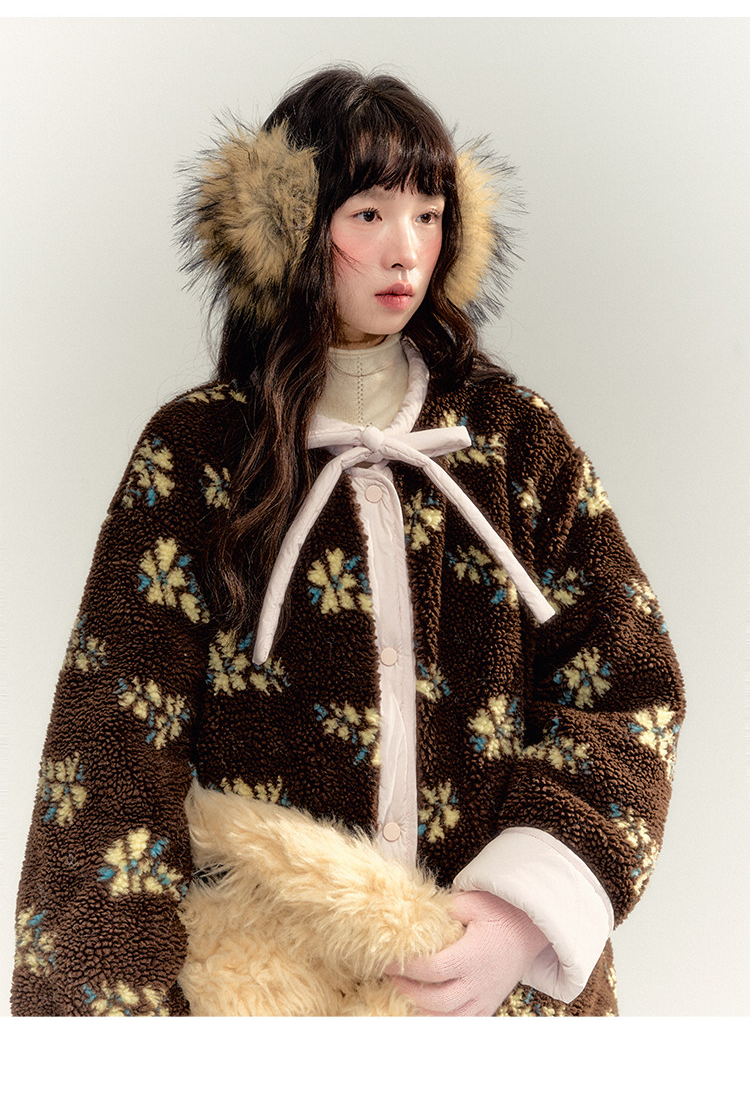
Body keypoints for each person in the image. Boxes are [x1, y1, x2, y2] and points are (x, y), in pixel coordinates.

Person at [12, 68, 684, 1019]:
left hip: (492, 993)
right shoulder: (201, 450)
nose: (405, 250)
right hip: (263, 990)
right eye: (368, 214)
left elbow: (628, 687)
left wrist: (521, 917)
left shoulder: (511, 440)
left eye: (428, 214)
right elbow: (115, 739)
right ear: (288, 228)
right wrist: (106, 1033)